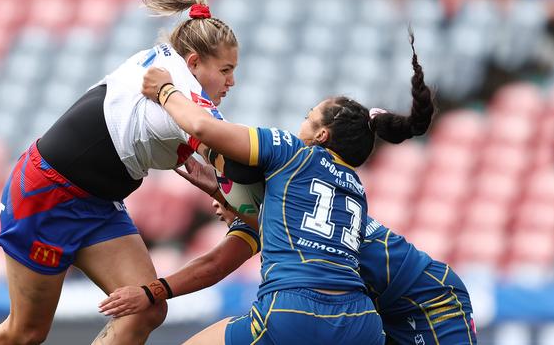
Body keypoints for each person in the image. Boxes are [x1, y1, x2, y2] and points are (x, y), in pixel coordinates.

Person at [129, 31, 434, 344]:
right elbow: (285, 229)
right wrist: (220, 191)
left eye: (308, 117)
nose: (300, 123)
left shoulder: (292, 152)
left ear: (322, 136)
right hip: (359, 321)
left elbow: (204, 127)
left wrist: (164, 90)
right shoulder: (355, 187)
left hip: (295, 309)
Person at [0, 0, 239, 344]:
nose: (232, 81)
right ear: (194, 62)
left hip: (96, 203)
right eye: (226, 70)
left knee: (146, 307)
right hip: (48, 194)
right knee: (25, 333)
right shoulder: (184, 95)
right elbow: (237, 155)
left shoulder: (168, 62)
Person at [100, 157, 477, 345]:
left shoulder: (287, 220)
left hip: (432, 304)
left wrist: (151, 292)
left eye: (227, 190)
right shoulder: (287, 215)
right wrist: (219, 190)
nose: (218, 205)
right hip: (375, 313)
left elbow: (215, 264)